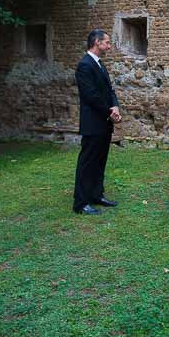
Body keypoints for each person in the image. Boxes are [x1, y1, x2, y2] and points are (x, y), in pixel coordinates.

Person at [73, 29, 122, 215]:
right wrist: (110, 112)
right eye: (107, 42)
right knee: (87, 162)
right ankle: (81, 202)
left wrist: (115, 107)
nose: (109, 46)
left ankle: (96, 194)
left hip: (105, 121)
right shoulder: (85, 65)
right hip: (93, 123)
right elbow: (91, 96)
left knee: (100, 160)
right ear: (96, 42)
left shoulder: (100, 64)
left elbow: (109, 90)